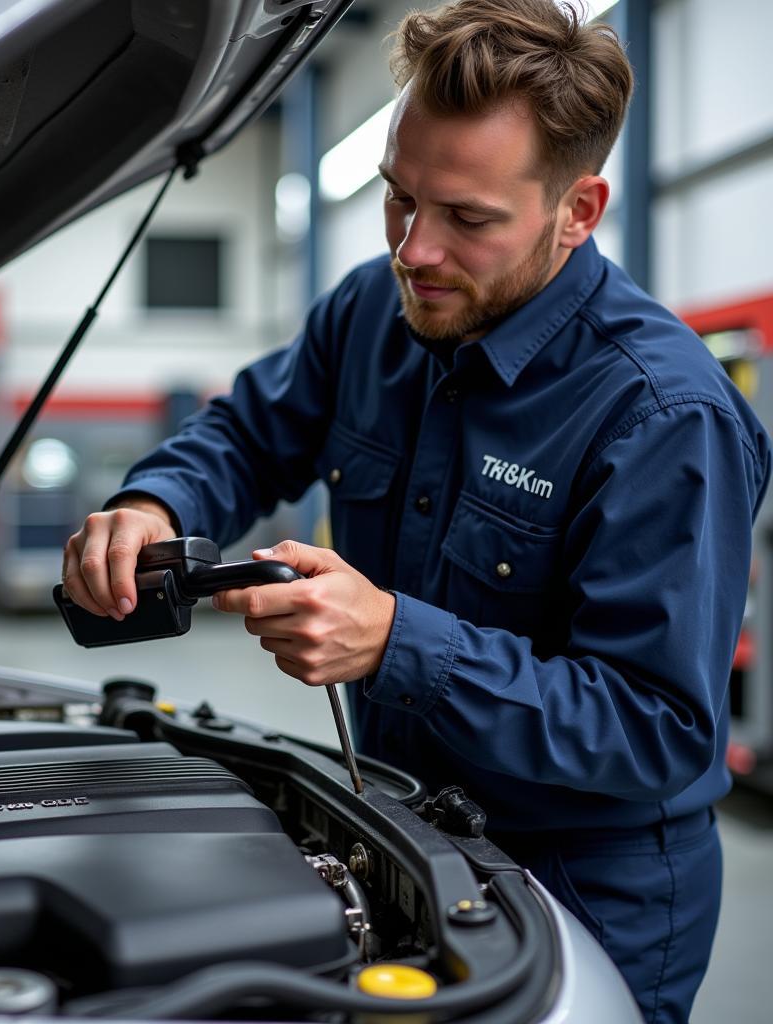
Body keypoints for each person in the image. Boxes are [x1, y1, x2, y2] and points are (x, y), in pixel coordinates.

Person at [61, 1, 770, 1020]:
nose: (413, 249)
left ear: (578, 210)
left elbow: (655, 730)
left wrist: (397, 642)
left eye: (468, 218)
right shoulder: (371, 312)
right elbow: (249, 436)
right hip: (404, 830)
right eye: (399, 200)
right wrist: (154, 498)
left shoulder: (662, 416)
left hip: (587, 893)